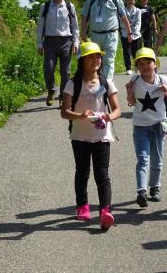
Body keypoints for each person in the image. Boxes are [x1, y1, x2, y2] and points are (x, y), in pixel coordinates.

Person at [61, 42, 122, 231]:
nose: (96, 60)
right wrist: (79, 116)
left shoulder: (106, 82)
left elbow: (118, 109)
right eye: (91, 57)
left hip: (102, 135)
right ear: (82, 60)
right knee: (82, 171)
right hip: (79, 136)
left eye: (98, 57)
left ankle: (105, 211)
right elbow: (64, 112)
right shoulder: (73, 83)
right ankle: (82, 206)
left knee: (102, 174)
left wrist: (108, 117)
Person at [126, 47, 167, 207]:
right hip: (140, 126)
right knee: (143, 158)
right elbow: (131, 102)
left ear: (155, 63)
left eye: (148, 62)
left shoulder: (163, 79)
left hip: (158, 125)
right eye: (140, 63)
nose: (144, 66)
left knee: (157, 158)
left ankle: (155, 187)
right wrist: (130, 91)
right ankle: (141, 191)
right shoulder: (135, 81)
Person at [80, 0, 132, 80]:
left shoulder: (116, 0)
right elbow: (84, 17)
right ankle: (97, 81)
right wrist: (83, 34)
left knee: (108, 60)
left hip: (111, 35)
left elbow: (123, 17)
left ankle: (107, 86)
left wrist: (129, 32)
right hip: (95, 35)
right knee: (95, 60)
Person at [36, 0, 79, 106]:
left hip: (66, 42)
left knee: (65, 72)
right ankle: (51, 90)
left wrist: (76, 42)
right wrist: (39, 43)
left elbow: (75, 26)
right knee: (48, 69)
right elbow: (40, 26)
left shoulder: (70, 7)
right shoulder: (45, 7)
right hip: (49, 42)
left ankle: (63, 98)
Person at [121, 0, 142, 75]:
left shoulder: (138, 11)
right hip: (125, 33)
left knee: (136, 52)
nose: (130, 1)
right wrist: (128, 25)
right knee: (126, 52)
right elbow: (121, 22)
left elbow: (138, 22)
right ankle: (128, 68)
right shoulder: (122, 10)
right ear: (126, 1)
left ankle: (137, 67)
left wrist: (133, 31)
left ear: (134, 1)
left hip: (136, 34)